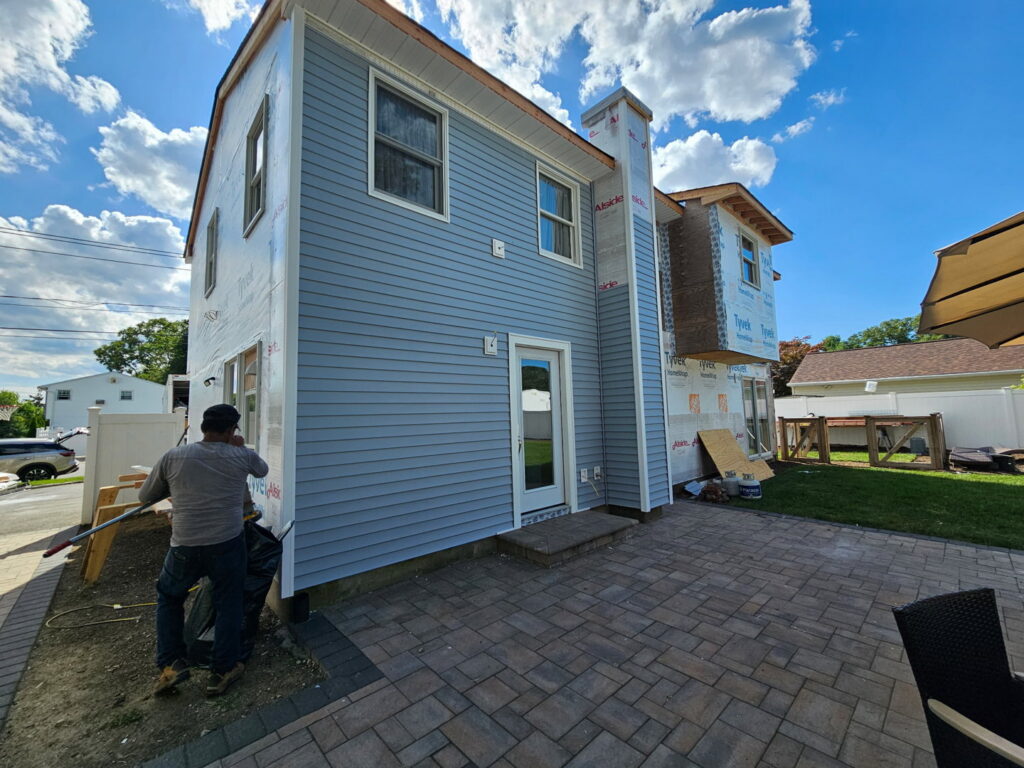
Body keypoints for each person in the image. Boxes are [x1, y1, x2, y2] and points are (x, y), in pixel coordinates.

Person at [139, 403, 269, 697]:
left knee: (170, 598)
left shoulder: (174, 457)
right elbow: (262, 470)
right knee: (229, 604)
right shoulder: (241, 455)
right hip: (227, 543)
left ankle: (171, 666)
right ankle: (222, 670)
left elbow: (146, 495)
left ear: (204, 428)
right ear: (230, 430)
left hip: (184, 545)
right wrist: (241, 445)